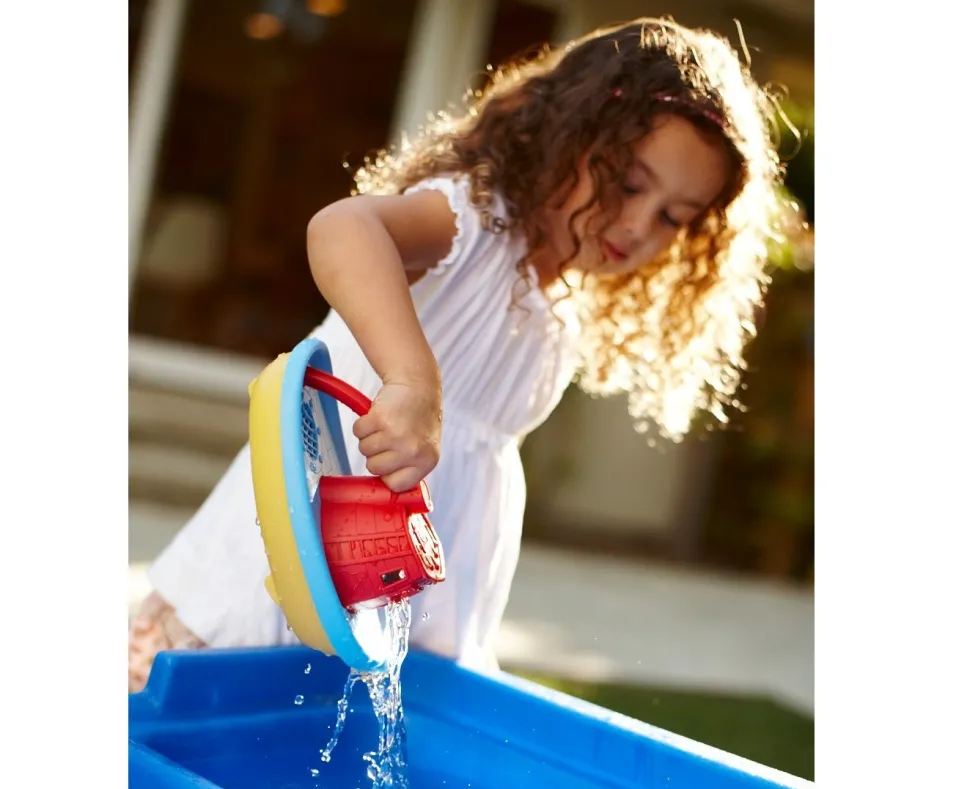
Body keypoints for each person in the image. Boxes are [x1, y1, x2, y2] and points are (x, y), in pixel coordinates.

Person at [129, 17, 787, 692]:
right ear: (573, 134)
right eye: (628, 183)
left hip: (401, 606)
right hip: (290, 565)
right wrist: (413, 380)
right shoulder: (473, 224)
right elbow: (344, 227)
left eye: (675, 218)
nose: (638, 226)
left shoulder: (557, 309)